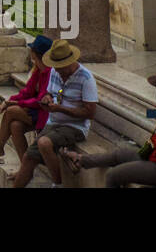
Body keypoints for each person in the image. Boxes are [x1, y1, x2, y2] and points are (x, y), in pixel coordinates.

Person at [61, 70, 156, 187]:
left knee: (112, 176)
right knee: (120, 154)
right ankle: (80, 160)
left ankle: (80, 160)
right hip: (155, 156)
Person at [13, 39, 99, 188]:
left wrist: (60, 109)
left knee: (44, 143)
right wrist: (47, 98)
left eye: (60, 67)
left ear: (69, 63)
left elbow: (90, 113)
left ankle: (58, 184)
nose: (57, 70)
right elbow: (50, 92)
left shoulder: (86, 78)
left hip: (75, 127)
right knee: (28, 157)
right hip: (53, 123)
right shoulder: (54, 71)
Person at [0, 35, 53, 164]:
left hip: (45, 113)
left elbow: (41, 101)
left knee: (11, 111)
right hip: (35, 109)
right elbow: (27, 92)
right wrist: (8, 101)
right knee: (15, 126)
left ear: (35, 53)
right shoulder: (38, 70)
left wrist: (16, 104)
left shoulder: (50, 72)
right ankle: (25, 168)